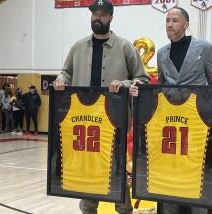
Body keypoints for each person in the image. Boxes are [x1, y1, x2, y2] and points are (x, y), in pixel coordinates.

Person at [53, 0, 149, 213]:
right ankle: (88, 209)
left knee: (118, 172)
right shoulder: (78, 46)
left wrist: (123, 83)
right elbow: (65, 72)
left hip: (116, 124)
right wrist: (61, 79)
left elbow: (143, 79)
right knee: (88, 172)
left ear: (111, 18)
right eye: (94, 13)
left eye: (102, 14)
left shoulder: (125, 47)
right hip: (84, 122)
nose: (97, 17)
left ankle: (124, 210)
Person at [157, 7, 212, 214]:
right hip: (170, 124)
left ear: (186, 25)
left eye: (175, 20)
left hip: (196, 122)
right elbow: (161, 87)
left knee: (198, 175)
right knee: (171, 173)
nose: (170, 24)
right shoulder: (161, 53)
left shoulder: (205, 48)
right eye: (167, 20)